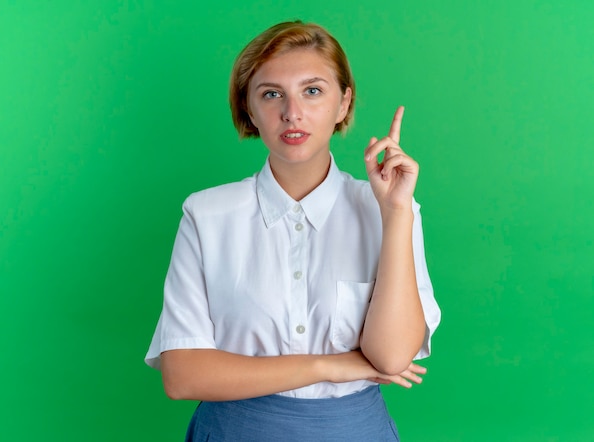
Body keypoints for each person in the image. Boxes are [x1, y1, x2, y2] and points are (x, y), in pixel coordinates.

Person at [145, 20, 441, 441]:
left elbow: (391, 357)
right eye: (271, 94)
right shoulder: (206, 214)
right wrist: (329, 365)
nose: (292, 112)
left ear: (343, 104)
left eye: (313, 90)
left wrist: (395, 214)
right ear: (249, 108)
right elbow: (182, 375)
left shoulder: (392, 210)